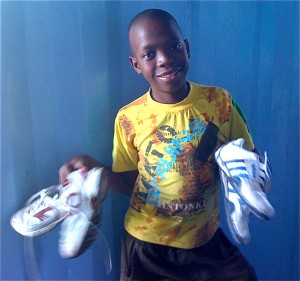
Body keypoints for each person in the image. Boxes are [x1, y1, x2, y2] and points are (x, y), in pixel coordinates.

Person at [59, 9, 258, 281]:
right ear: (136, 65)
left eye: (173, 46)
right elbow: (132, 182)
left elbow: (248, 159)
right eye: (149, 54)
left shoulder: (219, 102)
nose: (164, 59)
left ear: (186, 48)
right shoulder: (129, 118)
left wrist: (246, 173)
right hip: (148, 246)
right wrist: (95, 172)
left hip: (206, 240)